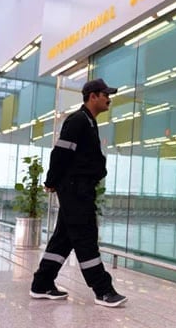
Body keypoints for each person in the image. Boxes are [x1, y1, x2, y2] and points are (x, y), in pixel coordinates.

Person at [29, 78, 127, 308]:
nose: (108, 98)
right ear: (93, 96)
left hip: (80, 188)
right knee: (85, 236)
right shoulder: (77, 121)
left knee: (63, 238)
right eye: (105, 94)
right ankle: (103, 290)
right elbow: (60, 153)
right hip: (75, 189)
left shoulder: (89, 122)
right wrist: (51, 181)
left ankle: (41, 284)